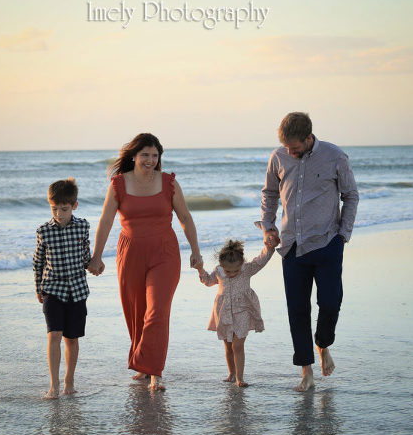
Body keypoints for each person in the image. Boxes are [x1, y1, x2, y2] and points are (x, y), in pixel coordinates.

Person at [88, 133, 203, 391]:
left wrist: (195, 251)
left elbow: (185, 217)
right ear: (133, 156)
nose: (150, 160)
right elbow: (106, 221)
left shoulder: (169, 183)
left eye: (154, 155)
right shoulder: (118, 184)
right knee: (137, 312)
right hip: (130, 253)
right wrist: (97, 256)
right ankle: (143, 363)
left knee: (157, 311)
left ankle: (154, 371)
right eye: (145, 155)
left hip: (165, 253)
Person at [260, 112, 358, 392]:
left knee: (330, 302)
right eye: (286, 147)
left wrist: (343, 234)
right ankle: (306, 371)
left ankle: (323, 344)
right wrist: (268, 227)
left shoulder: (335, 156)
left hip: (327, 241)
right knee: (297, 310)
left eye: (294, 147)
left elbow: (350, 195)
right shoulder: (278, 157)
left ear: (308, 138)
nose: (289, 152)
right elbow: (269, 193)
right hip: (292, 245)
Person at [33, 178, 93, 398]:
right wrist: (38, 288)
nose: (58, 214)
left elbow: (86, 257)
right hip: (52, 289)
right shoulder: (44, 231)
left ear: (74, 205)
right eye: (54, 209)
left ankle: (69, 381)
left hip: (77, 290)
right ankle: (54, 385)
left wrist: (95, 264)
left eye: (64, 209)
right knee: (54, 335)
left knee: (72, 338)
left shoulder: (83, 227)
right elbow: (38, 262)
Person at [197, 238, 275, 387]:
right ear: (221, 265)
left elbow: (261, 260)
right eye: (228, 271)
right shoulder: (219, 271)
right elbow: (208, 281)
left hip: (243, 310)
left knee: (237, 345)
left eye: (235, 271)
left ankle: (240, 378)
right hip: (224, 312)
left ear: (242, 264)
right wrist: (200, 269)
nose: (232, 274)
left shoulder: (247, 269)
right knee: (228, 346)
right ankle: (232, 373)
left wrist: (269, 248)